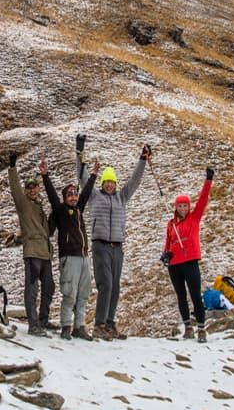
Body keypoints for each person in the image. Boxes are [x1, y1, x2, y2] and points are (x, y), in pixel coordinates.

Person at [76, 135, 148, 340]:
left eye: (112, 182)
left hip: (118, 246)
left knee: (115, 286)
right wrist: (79, 151)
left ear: (115, 183)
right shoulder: (94, 196)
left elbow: (135, 180)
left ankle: (109, 323)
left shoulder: (121, 197)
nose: (109, 185)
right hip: (101, 245)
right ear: (102, 183)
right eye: (106, 182)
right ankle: (99, 324)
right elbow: (81, 176)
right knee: (106, 283)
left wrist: (142, 159)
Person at [40, 156, 98, 340]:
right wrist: (45, 176)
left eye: (75, 194)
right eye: (70, 195)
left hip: (84, 257)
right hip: (69, 258)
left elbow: (86, 193)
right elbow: (52, 196)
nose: (73, 198)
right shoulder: (61, 211)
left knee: (83, 294)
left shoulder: (79, 209)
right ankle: (66, 325)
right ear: (65, 198)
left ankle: (79, 326)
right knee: (69, 293)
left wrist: (93, 175)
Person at [161, 166, 216, 343]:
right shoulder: (171, 224)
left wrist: (208, 180)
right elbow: (168, 241)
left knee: (195, 295)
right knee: (181, 296)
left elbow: (203, 199)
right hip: (175, 264)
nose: (183, 208)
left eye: (185, 205)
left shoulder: (194, 217)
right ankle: (188, 327)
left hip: (190, 261)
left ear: (189, 206)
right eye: (180, 206)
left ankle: (201, 328)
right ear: (176, 207)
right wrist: (166, 254)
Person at [8, 153, 55, 336]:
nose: (32, 190)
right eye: (29, 188)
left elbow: (47, 231)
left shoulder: (39, 207)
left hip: (45, 253)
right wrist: (12, 168)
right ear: (26, 190)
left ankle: (43, 319)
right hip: (33, 252)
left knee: (49, 287)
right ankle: (33, 325)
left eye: (34, 187)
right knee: (32, 289)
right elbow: (15, 189)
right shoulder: (24, 204)